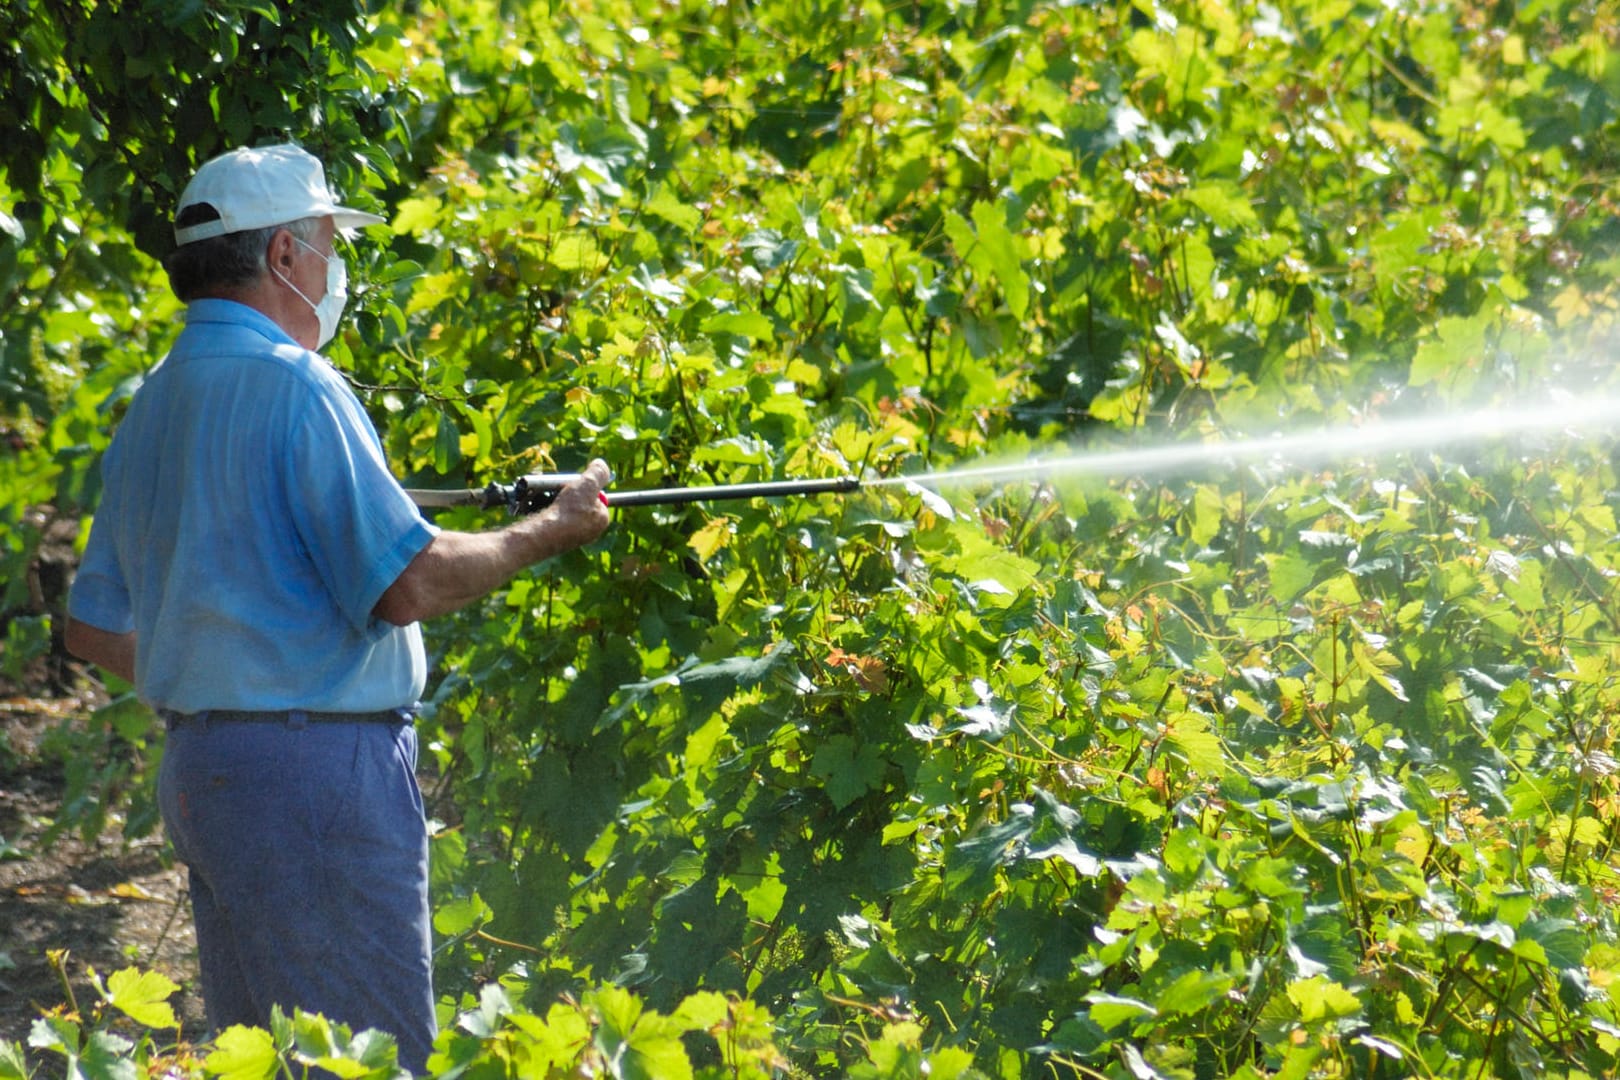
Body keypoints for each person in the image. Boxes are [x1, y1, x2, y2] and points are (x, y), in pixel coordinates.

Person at [63, 143, 612, 1071]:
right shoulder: (298, 385)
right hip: (317, 778)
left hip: (205, 770)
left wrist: (218, 669)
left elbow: (92, 626)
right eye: (326, 243)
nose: (333, 267)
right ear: (283, 257)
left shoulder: (153, 404)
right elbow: (411, 583)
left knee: (269, 1057)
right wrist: (548, 530)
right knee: (364, 1057)